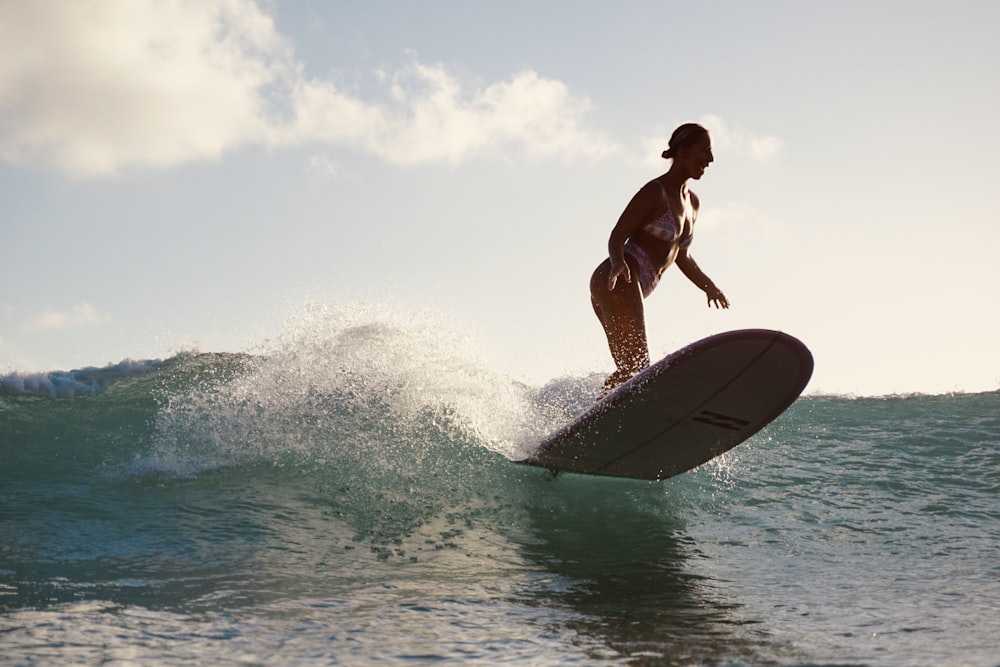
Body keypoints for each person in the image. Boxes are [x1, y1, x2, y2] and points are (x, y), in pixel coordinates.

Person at [590, 122, 729, 394]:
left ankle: (593, 419)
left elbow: (682, 255)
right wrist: (618, 262)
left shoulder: (693, 204)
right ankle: (601, 419)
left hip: (628, 287)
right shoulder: (655, 192)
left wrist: (708, 286)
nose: (710, 159)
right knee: (637, 368)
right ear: (685, 151)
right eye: (705, 151)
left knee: (631, 371)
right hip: (619, 278)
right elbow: (617, 235)